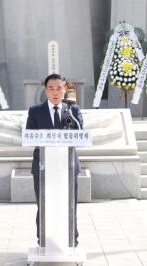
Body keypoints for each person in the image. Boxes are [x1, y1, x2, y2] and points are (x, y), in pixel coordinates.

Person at [26, 73, 83, 247]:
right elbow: (30, 137)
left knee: (69, 204)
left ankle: (71, 240)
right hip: (43, 167)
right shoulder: (35, 111)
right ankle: (43, 241)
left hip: (68, 166)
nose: (55, 92)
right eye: (51, 88)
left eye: (59, 88)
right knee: (44, 204)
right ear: (45, 90)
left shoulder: (73, 110)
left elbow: (80, 134)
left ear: (65, 89)